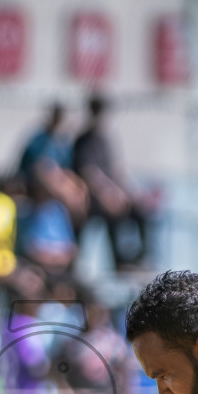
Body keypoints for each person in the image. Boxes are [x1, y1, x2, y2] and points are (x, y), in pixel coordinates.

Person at [72, 94, 148, 271]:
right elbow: (88, 173)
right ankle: (110, 262)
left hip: (109, 193)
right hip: (90, 198)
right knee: (111, 212)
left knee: (139, 211)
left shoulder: (105, 139)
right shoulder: (84, 140)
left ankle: (134, 257)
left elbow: (115, 170)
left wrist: (131, 192)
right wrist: (108, 193)